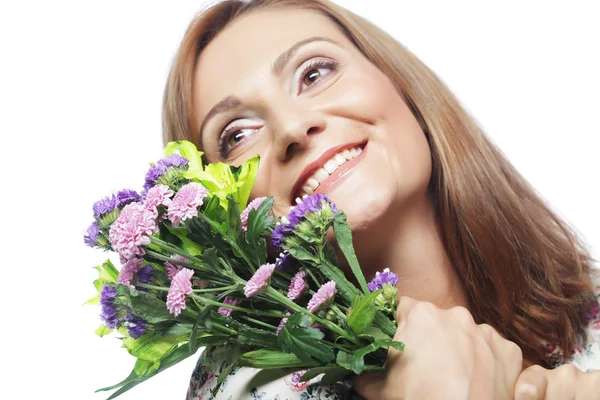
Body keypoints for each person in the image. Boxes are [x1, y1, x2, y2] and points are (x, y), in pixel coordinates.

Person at [161, 0, 600, 398]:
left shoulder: (588, 313)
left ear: (399, 83)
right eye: (236, 134)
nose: (292, 129)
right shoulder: (245, 384)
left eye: (314, 73)